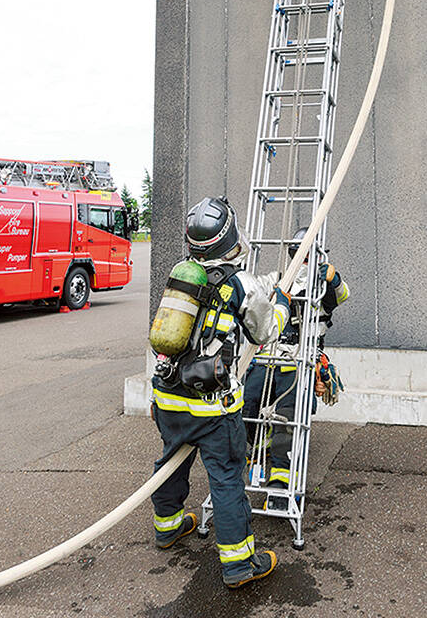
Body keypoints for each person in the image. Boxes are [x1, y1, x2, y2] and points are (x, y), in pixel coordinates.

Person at [149, 196, 291, 589]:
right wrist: (280, 303)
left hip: (168, 398)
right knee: (227, 478)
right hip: (212, 408)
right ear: (230, 237)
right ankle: (240, 565)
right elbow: (264, 332)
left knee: (172, 461)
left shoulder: (183, 276)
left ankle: (168, 527)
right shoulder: (239, 284)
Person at [243, 227, 349, 509]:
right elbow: (253, 287)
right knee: (247, 401)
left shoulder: (322, 285)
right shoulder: (280, 279)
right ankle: (255, 451)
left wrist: (333, 277)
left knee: (286, 416)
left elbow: (341, 294)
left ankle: (281, 483)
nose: (301, 263)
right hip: (268, 356)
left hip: (300, 359)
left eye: (305, 258)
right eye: (297, 257)